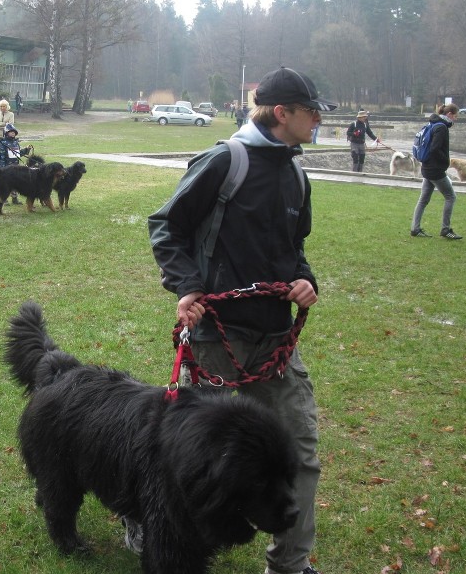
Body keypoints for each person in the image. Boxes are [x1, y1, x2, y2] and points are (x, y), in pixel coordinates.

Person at [147, 66, 331, 574]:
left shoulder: (296, 173)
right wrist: (187, 286)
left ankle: (289, 565)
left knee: (298, 452)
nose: (318, 119)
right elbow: (166, 225)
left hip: (275, 341)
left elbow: (294, 249)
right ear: (282, 113)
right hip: (215, 338)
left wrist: (305, 280)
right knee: (187, 452)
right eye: (312, 111)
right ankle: (162, 534)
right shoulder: (225, 161)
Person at [410, 103, 462, 239]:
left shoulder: (432, 124)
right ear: (449, 114)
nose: (455, 119)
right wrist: (445, 161)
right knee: (451, 197)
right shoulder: (442, 127)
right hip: (435, 169)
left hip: (426, 167)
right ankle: (446, 229)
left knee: (423, 200)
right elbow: (435, 148)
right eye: (455, 116)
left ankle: (415, 228)